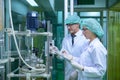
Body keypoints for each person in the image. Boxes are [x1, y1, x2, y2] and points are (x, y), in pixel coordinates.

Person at [61, 14, 88, 80]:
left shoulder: (85, 37)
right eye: (67, 25)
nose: (68, 28)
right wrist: (57, 52)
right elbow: (63, 54)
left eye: (70, 25)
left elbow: (87, 59)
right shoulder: (66, 38)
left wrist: (77, 71)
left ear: (78, 24)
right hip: (68, 72)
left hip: (81, 72)